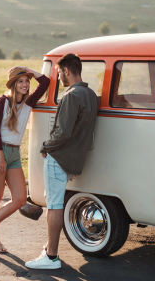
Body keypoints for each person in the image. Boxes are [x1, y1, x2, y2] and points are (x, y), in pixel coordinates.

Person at [25, 53, 98, 269]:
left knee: (54, 206)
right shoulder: (91, 95)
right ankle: (49, 250)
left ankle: (51, 257)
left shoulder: (70, 96)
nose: (59, 77)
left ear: (66, 70)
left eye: (59, 72)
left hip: (58, 159)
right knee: (55, 204)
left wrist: (45, 147)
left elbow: (63, 133)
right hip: (74, 160)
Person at [0, 66, 50, 252]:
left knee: (19, 199)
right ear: (13, 84)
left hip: (14, 155)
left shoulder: (29, 102)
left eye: (27, 81)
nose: (25, 84)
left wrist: (27, 70)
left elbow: (45, 82)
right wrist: (0, 157)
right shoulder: (2, 101)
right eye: (20, 81)